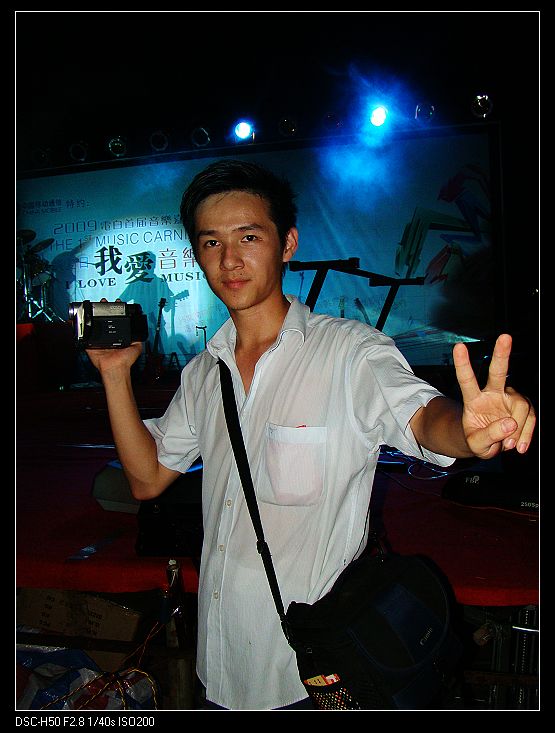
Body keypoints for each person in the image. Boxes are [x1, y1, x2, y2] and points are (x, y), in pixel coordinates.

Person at [86, 159, 536, 710]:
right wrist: (115, 375)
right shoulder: (205, 372)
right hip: (219, 666)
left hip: (310, 674)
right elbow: (147, 477)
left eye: (249, 237)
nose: (230, 259)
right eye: (211, 242)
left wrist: (466, 432)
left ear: (287, 244)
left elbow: (421, 417)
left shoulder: (349, 352)